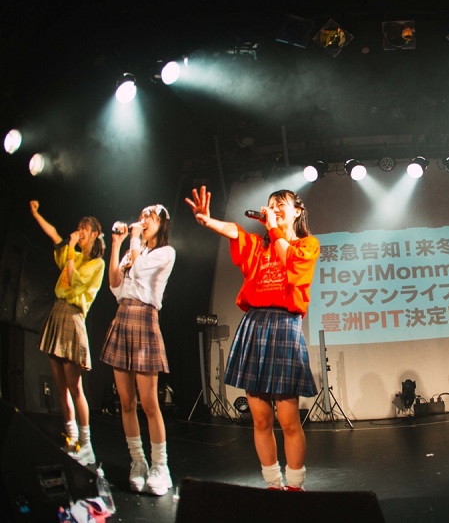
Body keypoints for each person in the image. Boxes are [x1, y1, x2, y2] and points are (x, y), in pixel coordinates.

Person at [185, 185, 320, 491]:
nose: (274, 208)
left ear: (297, 211)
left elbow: (289, 260)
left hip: (284, 325)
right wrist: (208, 221)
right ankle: (272, 484)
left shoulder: (307, 245)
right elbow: (235, 232)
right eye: (271, 204)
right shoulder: (259, 246)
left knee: (288, 419)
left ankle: (295, 487)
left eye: (281, 204)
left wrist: (273, 228)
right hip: (255, 324)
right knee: (260, 418)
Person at [100, 204, 176, 496]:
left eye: (149, 217)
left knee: (149, 403)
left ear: (161, 224)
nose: (143, 220)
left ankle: (160, 465)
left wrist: (133, 238)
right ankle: (138, 461)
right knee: (126, 402)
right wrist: (116, 244)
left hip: (145, 318)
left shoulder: (165, 253)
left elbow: (141, 270)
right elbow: (114, 286)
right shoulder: (133, 251)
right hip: (123, 316)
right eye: (142, 216)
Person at [29, 200, 106, 466]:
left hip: (73, 317)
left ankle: (87, 445)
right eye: (78, 227)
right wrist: (36, 214)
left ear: (94, 233)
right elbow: (54, 235)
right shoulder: (72, 253)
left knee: (75, 386)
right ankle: (72, 440)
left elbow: (73, 280)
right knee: (60, 386)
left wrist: (71, 249)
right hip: (57, 312)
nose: (79, 231)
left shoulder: (97, 264)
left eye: (84, 228)